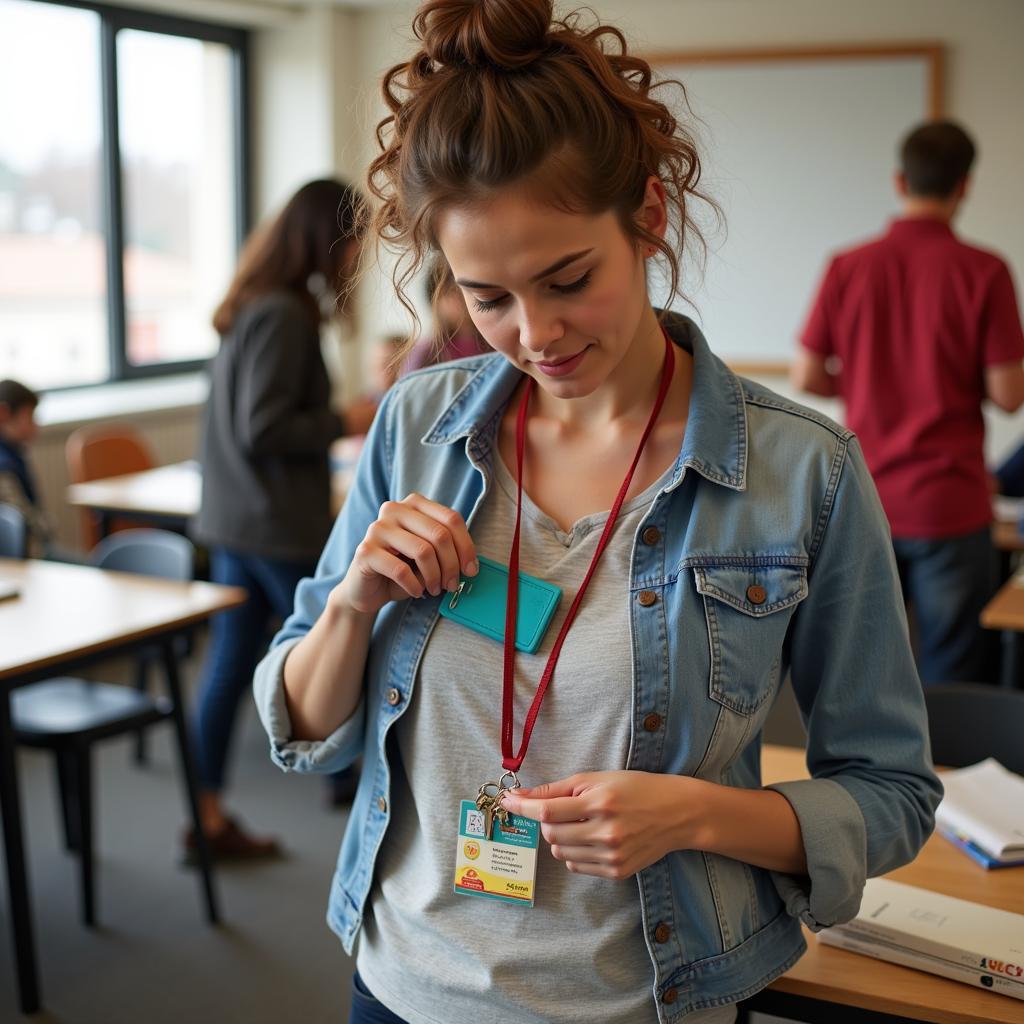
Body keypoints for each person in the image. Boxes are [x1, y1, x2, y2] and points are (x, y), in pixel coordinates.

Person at [254, 3, 941, 1021]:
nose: (533, 334)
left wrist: (699, 815)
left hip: (650, 999)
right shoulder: (420, 426)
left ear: (650, 218)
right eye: (486, 296)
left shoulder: (805, 473)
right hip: (400, 984)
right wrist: (352, 603)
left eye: (567, 279)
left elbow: (892, 794)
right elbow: (302, 723)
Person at [793, 120, 1024, 685]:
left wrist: (871, 384)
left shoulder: (848, 266)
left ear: (900, 180)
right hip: (951, 504)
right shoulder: (985, 270)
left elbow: (805, 373)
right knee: (950, 666)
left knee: (861, 663)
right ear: (964, 185)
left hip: (864, 498)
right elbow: (1008, 395)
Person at [187, 179, 368, 861]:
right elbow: (264, 428)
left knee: (232, 661)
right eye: (353, 241)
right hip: (269, 522)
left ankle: (206, 813)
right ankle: (344, 772)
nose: (356, 258)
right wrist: (345, 421)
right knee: (339, 634)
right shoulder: (286, 315)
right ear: (328, 240)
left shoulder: (255, 306)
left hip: (236, 518)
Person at [399, 254, 489, 374]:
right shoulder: (427, 353)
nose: (458, 299)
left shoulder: (494, 343)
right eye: (448, 292)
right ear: (435, 302)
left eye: (463, 290)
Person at [0, 379, 51, 557]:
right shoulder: (5, 466)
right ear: (3, 413)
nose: (35, 425)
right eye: (30, 416)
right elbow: (23, 522)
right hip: (28, 556)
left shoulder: (14, 454)